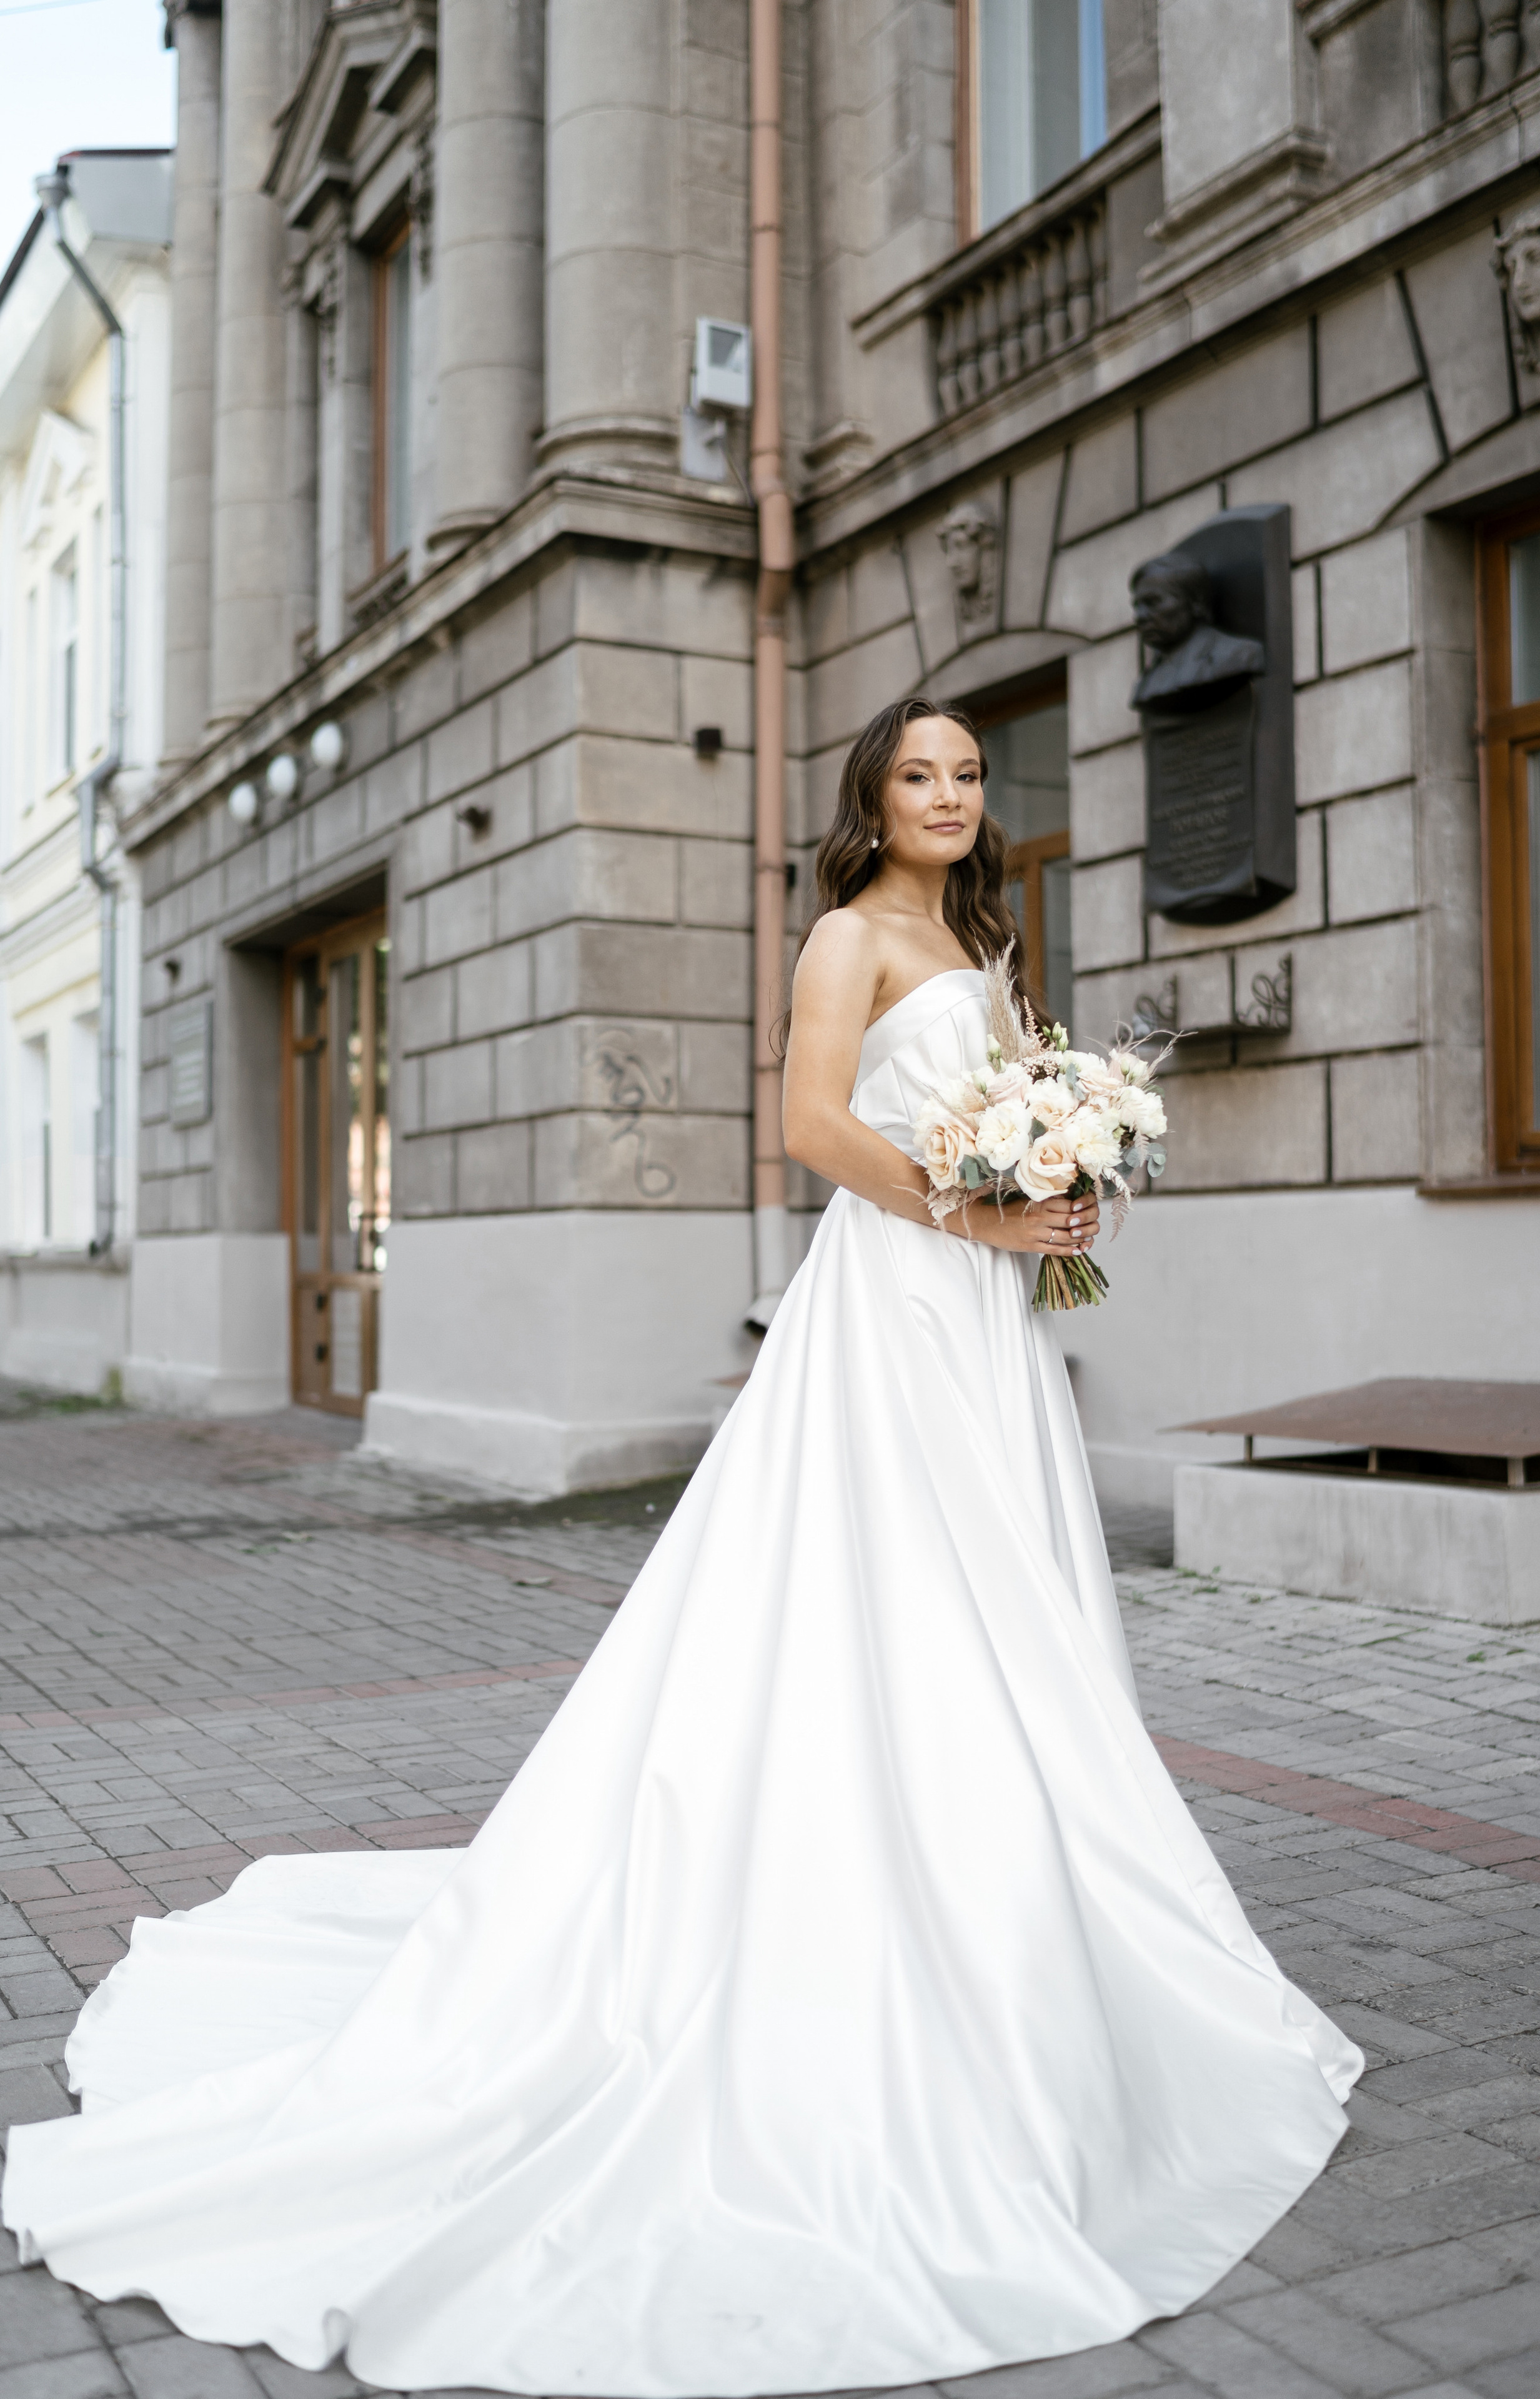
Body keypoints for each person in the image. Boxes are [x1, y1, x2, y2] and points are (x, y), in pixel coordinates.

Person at [2, 698, 1361, 2398]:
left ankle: (1036, 1886)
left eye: (963, 775)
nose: (945, 796)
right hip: (895, 1309)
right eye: (915, 776)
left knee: (1009, 1603)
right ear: (872, 797)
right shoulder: (847, 936)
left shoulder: (988, 935)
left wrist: (1059, 1195)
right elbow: (810, 1129)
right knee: (899, 1598)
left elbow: (1002, 1107)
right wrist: (981, 1209)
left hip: (987, 1317)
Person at [1130, 552, 1265, 708]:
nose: (1139, 617)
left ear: (1196, 602)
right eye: (1137, 606)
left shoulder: (1241, 655)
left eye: (1153, 602)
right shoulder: (1147, 683)